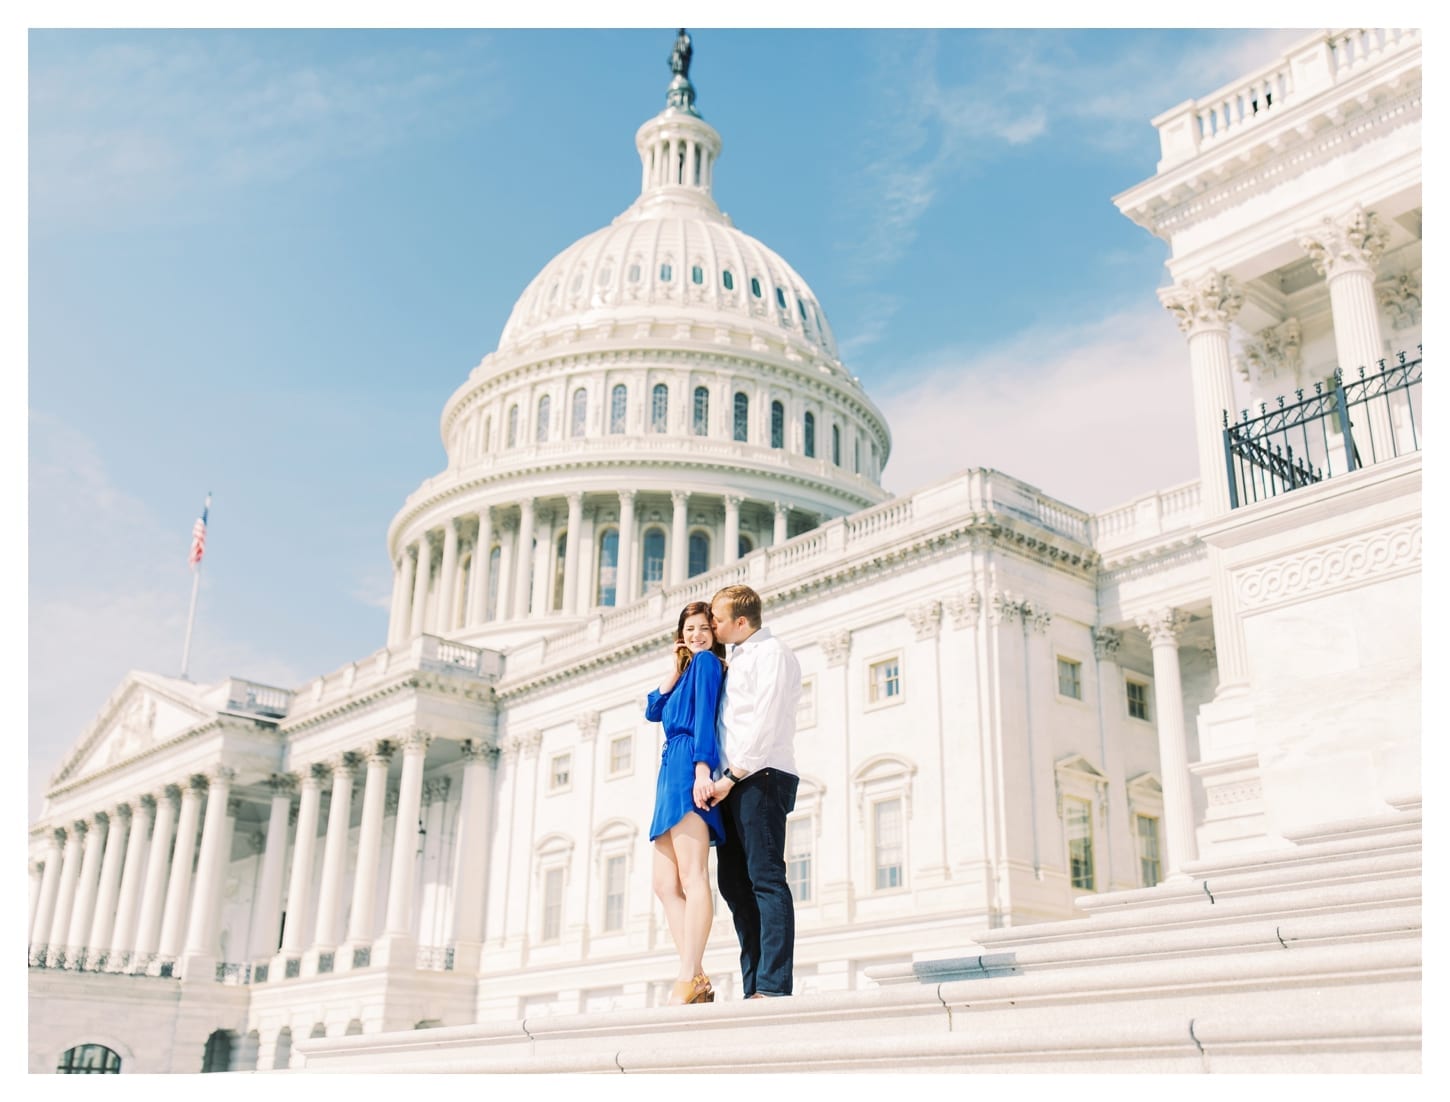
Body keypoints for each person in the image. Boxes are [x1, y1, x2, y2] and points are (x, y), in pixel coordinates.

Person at [707, 584, 802, 999]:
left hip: (759, 776)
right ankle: (753, 985)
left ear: (741, 622)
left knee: (766, 880)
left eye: (718, 619)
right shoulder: (734, 659)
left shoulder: (773, 654)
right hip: (730, 782)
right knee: (733, 885)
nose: (713, 625)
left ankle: (774, 985)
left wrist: (732, 775)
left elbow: (766, 720)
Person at [645, 600, 727, 1005]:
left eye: (703, 629)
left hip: (688, 763)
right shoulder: (686, 671)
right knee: (663, 885)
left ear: (714, 634)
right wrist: (674, 669)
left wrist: (702, 770)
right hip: (668, 770)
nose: (697, 635)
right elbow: (652, 710)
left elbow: (704, 718)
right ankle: (694, 973)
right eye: (690, 628)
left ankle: (687, 976)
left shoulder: (709, 664)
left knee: (694, 876)